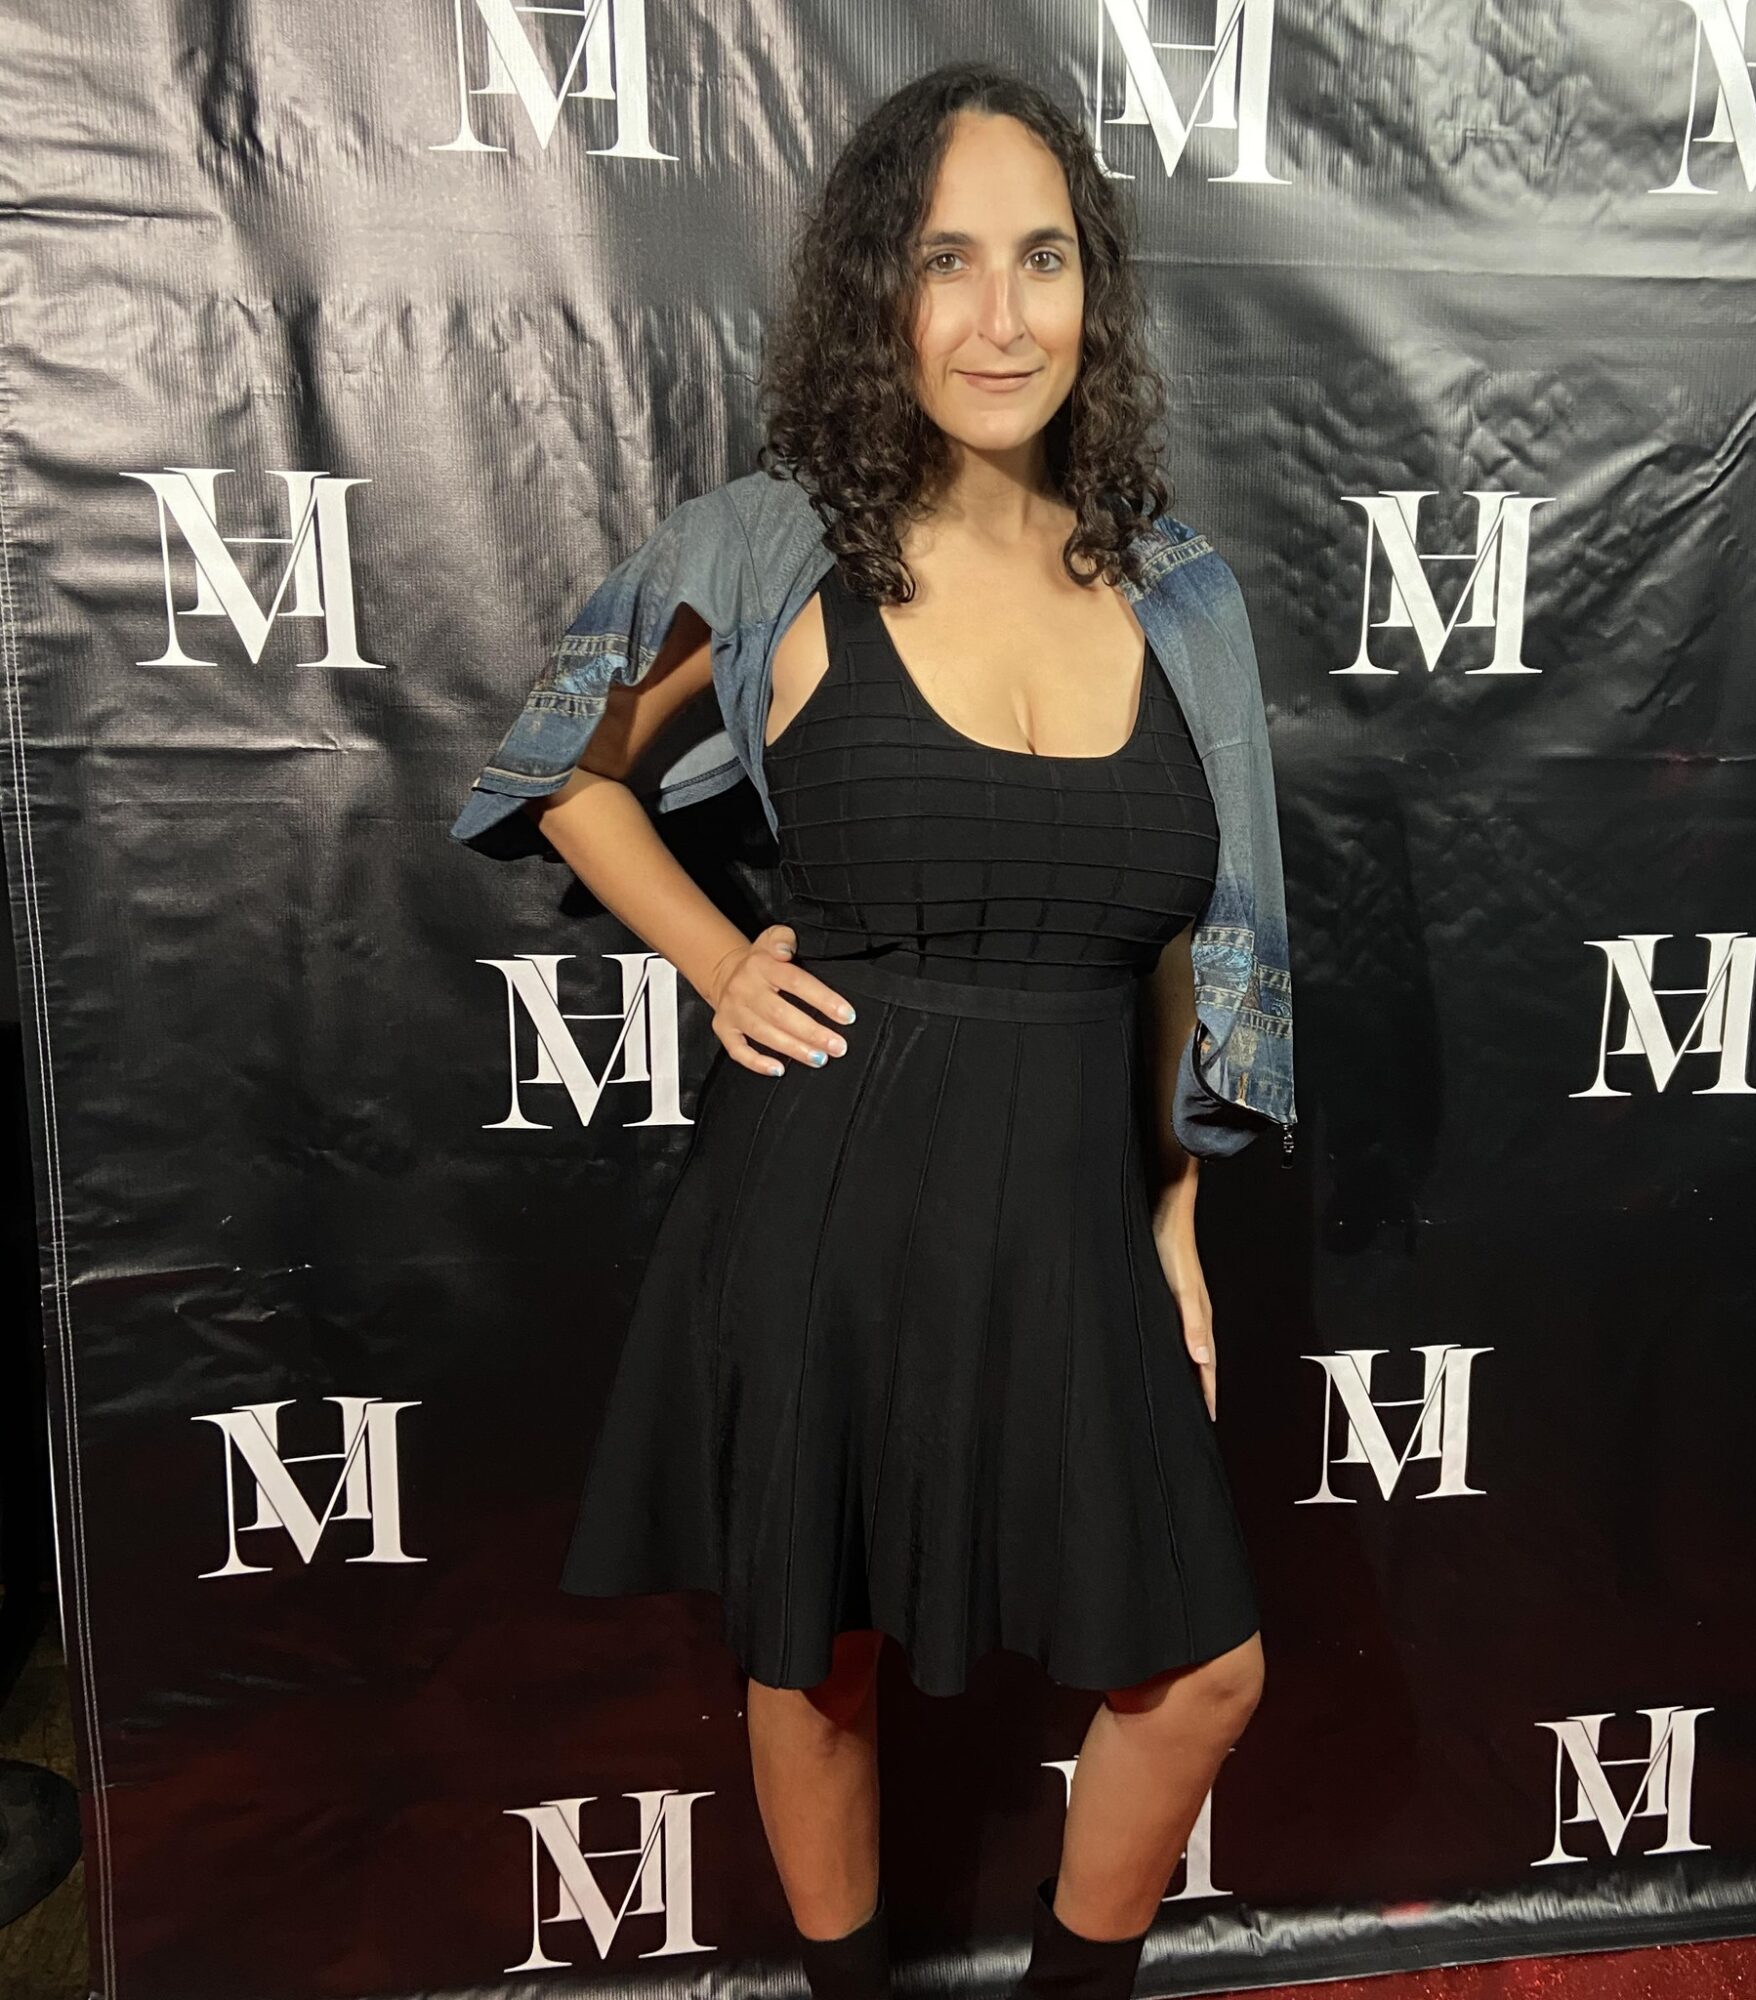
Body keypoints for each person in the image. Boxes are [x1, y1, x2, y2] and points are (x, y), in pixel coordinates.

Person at [449, 60, 1296, 2000]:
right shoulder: (764, 549)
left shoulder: (1184, 596)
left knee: (1202, 1669)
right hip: (819, 1198)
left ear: (1096, 291)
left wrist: (1169, 1229)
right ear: (872, 295)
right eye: (944, 263)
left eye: (1043, 260)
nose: (1000, 317)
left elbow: (1178, 949)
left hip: (1070, 1209)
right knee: (807, 1647)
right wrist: (717, 952)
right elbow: (560, 771)